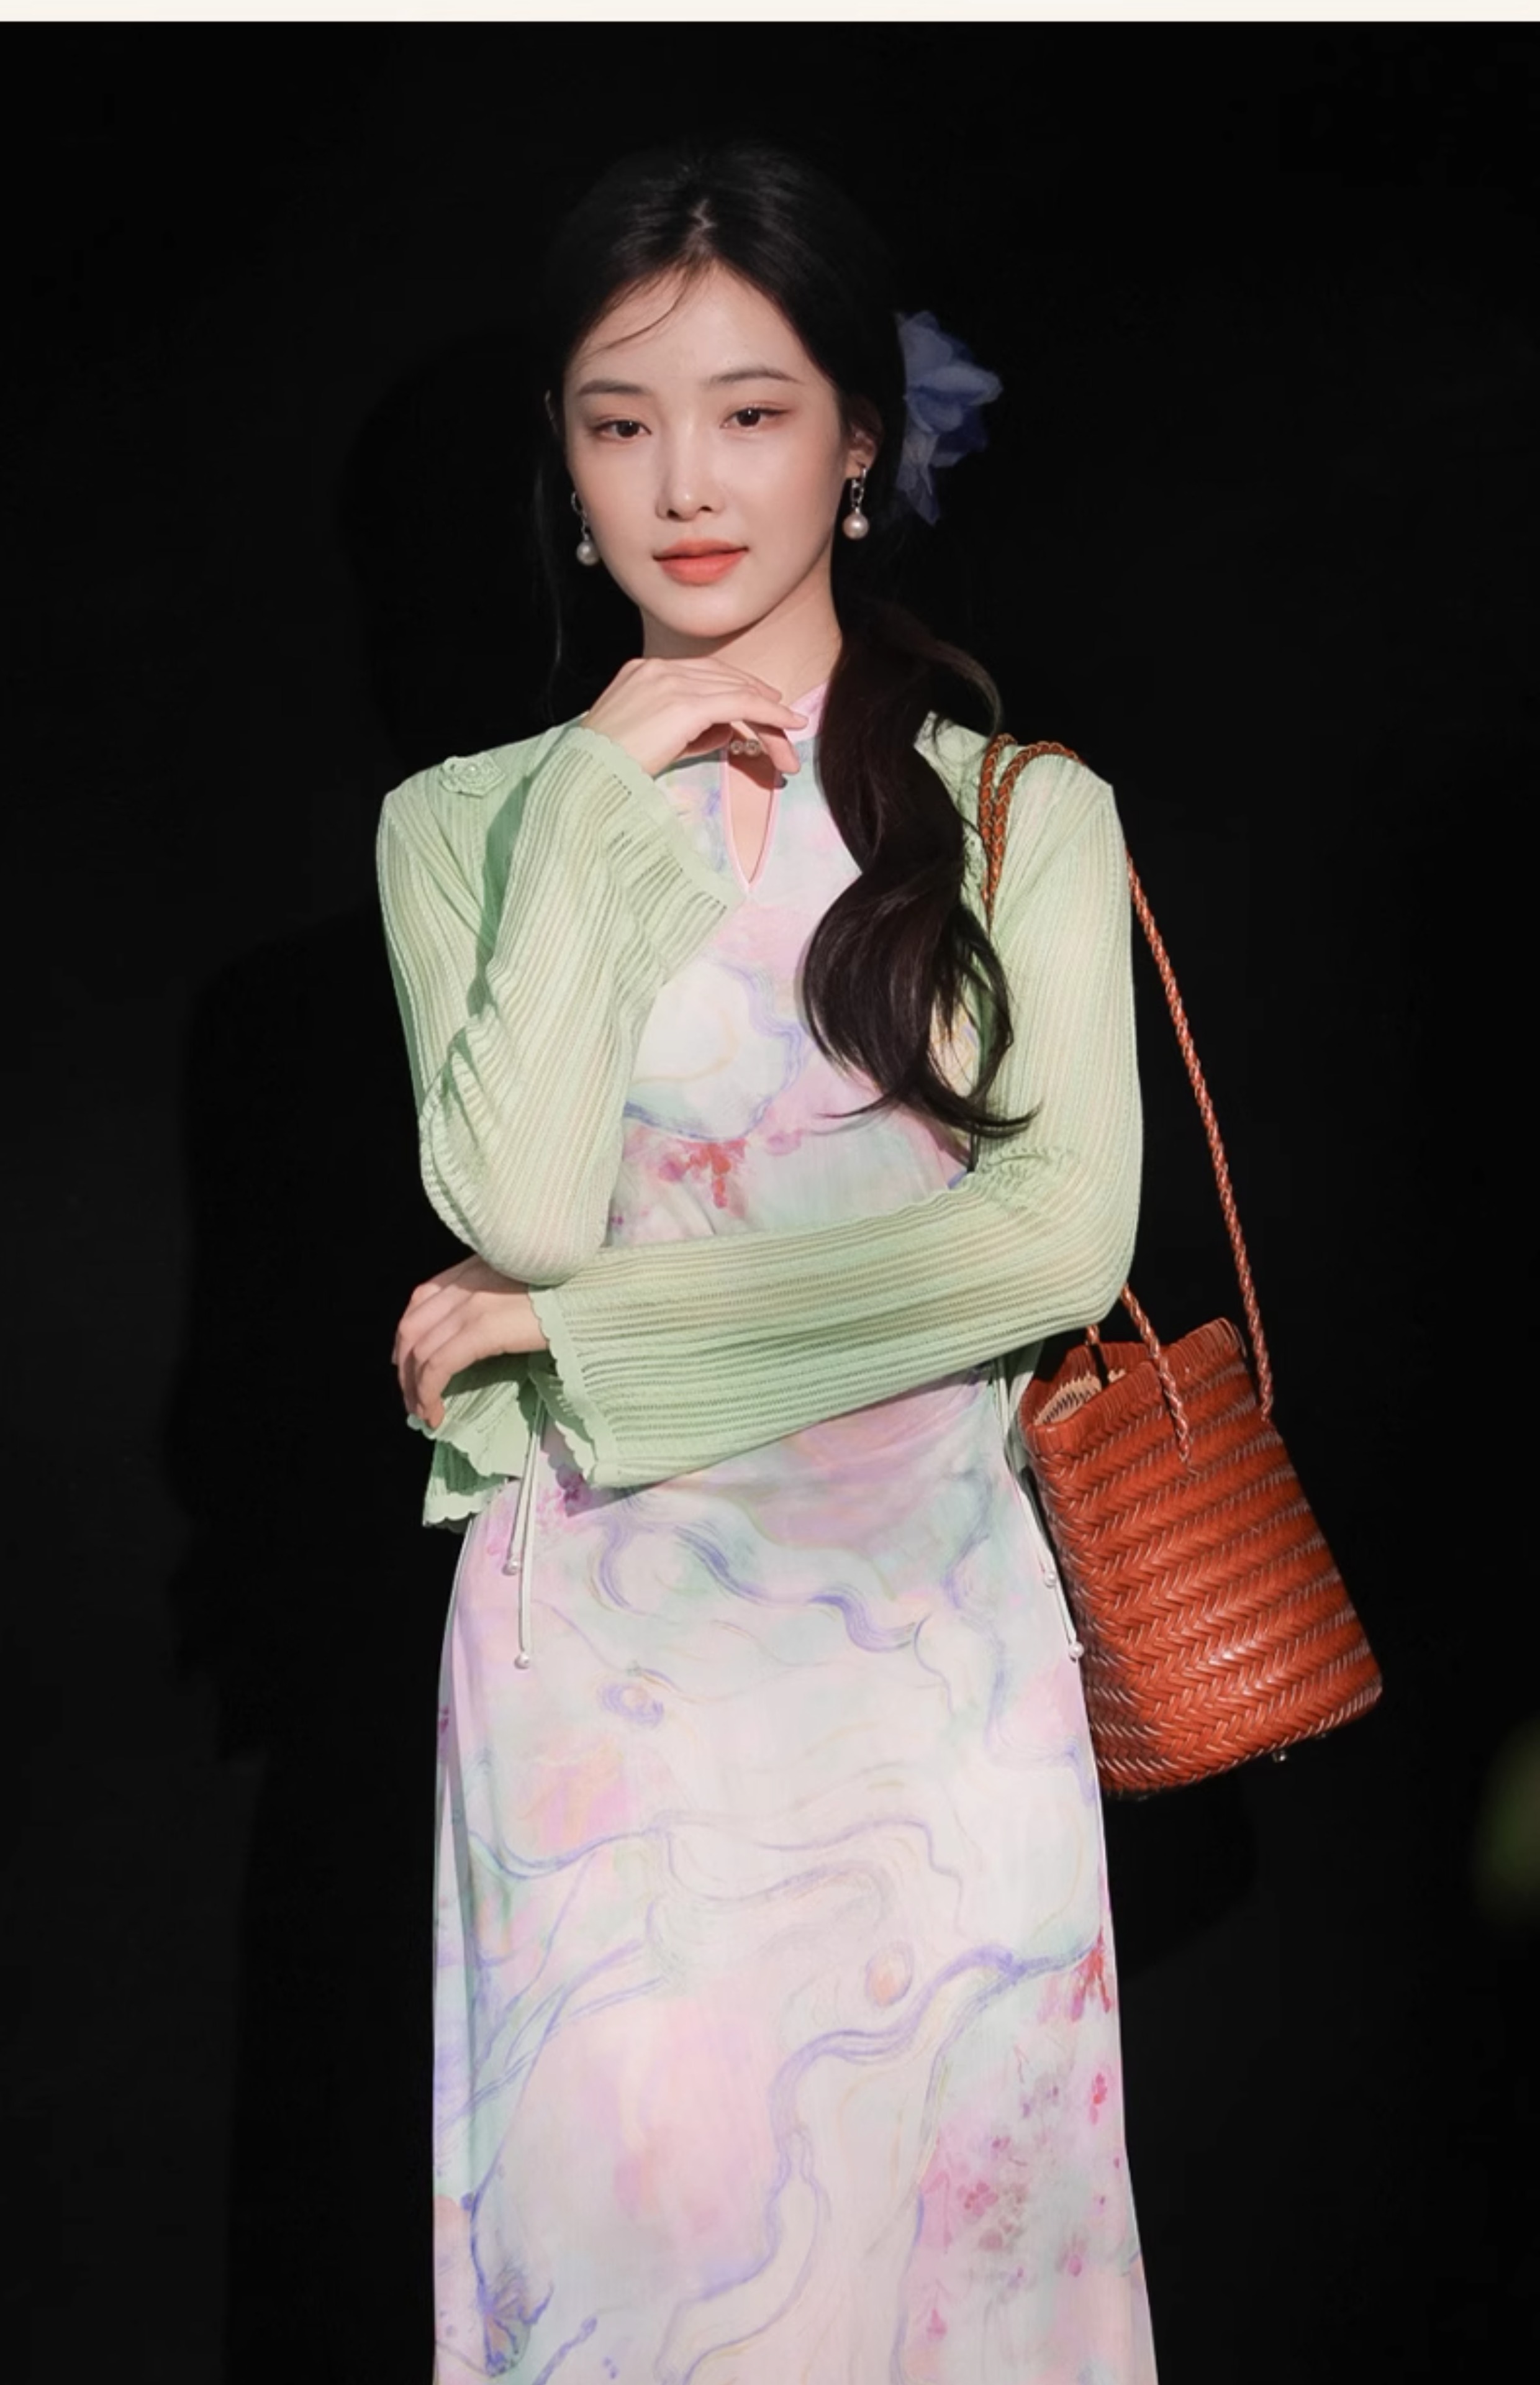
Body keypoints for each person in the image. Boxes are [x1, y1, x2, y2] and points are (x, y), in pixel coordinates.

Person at [377, 137, 1156, 2385]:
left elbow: (1050, 1244)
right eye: (621, 422)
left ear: (861, 442)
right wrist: (590, 808)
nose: (687, 482)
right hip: (605, 1689)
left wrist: (582, 1331)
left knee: (961, 2299)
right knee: (644, 2302)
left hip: (931, 1664)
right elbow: (519, 1207)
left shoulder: (1019, 813)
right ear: (564, 461)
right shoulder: (463, 822)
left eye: (751, 411)